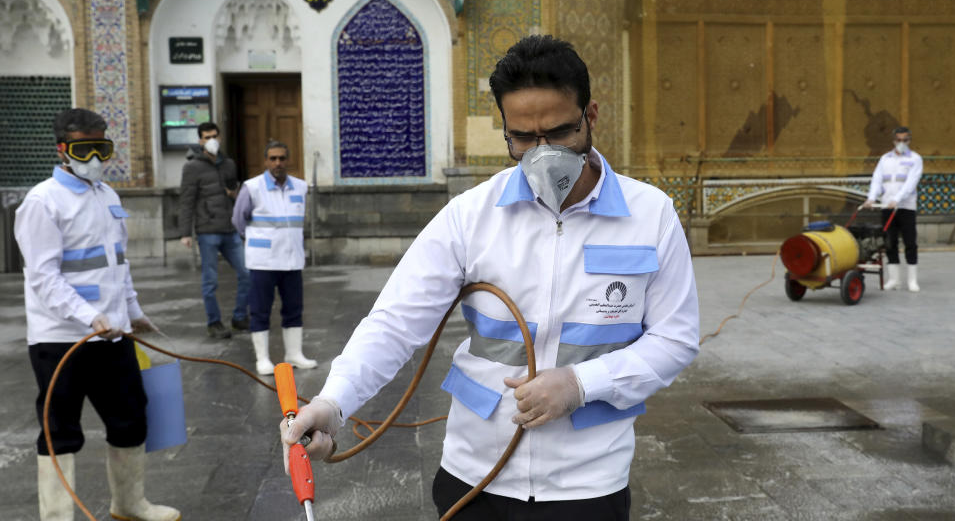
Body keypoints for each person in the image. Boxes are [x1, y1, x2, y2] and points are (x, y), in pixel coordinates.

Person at [281, 36, 700, 520]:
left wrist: (581, 384)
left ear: (592, 117)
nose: (542, 153)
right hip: (475, 474)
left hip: (589, 482)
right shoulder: (470, 215)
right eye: (522, 138)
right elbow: (395, 323)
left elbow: (675, 337)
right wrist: (334, 404)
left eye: (560, 133)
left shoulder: (650, 215)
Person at [15, 108, 180, 521]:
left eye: (101, 148)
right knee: (60, 429)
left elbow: (116, 266)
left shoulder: (108, 195)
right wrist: (89, 316)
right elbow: (44, 278)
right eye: (83, 148)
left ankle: (129, 504)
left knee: (130, 417)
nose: (94, 157)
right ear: (63, 150)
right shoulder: (42, 202)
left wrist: (132, 312)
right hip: (60, 339)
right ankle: (56, 517)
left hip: (113, 334)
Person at [232, 140, 317, 375]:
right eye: (273, 158)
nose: (278, 163)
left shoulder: (300, 187)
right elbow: (238, 220)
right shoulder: (252, 187)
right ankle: (263, 358)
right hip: (263, 261)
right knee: (260, 309)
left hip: (291, 260)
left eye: (282, 158)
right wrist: (255, 240)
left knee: (294, 308)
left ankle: (294, 354)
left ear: (288, 160)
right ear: (265, 161)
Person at [178, 121, 251, 338]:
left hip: (230, 229)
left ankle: (239, 317)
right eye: (207, 137)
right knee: (210, 280)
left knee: (247, 273)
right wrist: (185, 233)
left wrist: (234, 195)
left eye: (214, 136)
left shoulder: (228, 164)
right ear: (200, 140)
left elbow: (238, 194)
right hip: (207, 230)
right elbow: (186, 200)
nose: (212, 141)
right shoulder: (192, 167)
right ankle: (214, 322)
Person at [862, 126, 924, 291]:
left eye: (905, 140)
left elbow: (911, 183)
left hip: (906, 207)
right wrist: (871, 198)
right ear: (893, 140)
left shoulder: (915, 159)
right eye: (899, 140)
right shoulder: (885, 159)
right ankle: (894, 280)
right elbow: (877, 179)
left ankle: (912, 280)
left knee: (910, 242)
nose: (901, 143)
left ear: (909, 140)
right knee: (890, 242)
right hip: (886, 206)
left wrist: (897, 199)